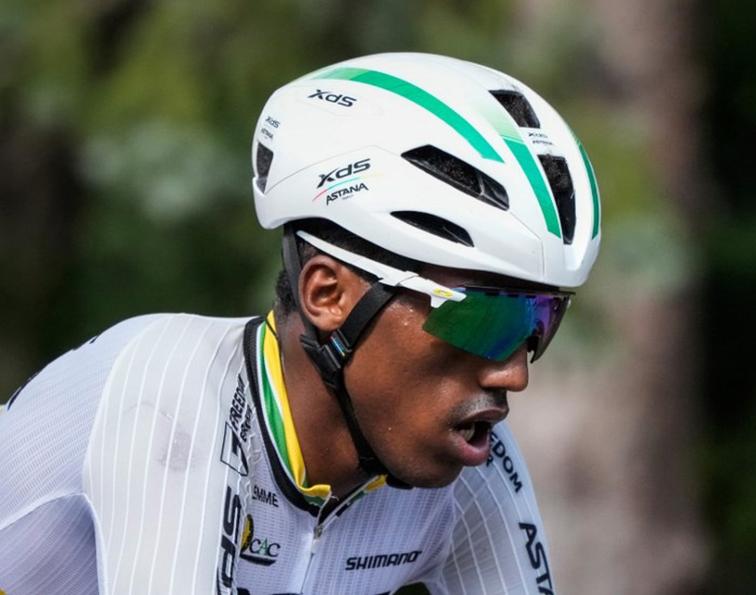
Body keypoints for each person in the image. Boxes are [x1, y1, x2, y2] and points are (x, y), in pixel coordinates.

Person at [0, 52, 600, 594]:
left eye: (540, 319)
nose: (514, 373)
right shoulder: (167, 397)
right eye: (485, 317)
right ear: (328, 294)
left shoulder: (464, 455)